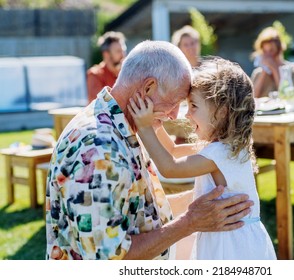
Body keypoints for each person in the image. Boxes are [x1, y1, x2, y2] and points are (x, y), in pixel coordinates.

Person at [45, 41, 253, 260]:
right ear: (147, 88)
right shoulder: (98, 151)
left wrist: (205, 200)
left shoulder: (121, 124)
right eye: (176, 102)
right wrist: (189, 223)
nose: (175, 116)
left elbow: (134, 211)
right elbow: (109, 258)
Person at [129, 57, 277, 260]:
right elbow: (172, 150)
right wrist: (156, 125)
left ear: (221, 111)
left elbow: (170, 167)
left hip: (232, 244)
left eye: (194, 107)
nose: (186, 115)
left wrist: (144, 128)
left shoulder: (219, 154)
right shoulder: (226, 147)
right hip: (237, 237)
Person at [251, 26, 294, 98]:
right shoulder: (257, 73)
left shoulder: (292, 69)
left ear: (280, 50)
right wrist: (264, 71)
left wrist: (274, 69)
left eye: (271, 50)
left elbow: (287, 96)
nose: (268, 55)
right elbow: (253, 98)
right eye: (265, 51)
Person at [86, 31, 127, 102]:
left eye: (124, 51)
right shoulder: (95, 75)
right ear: (106, 54)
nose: (123, 55)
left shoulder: (127, 74)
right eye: (118, 51)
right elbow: (101, 106)